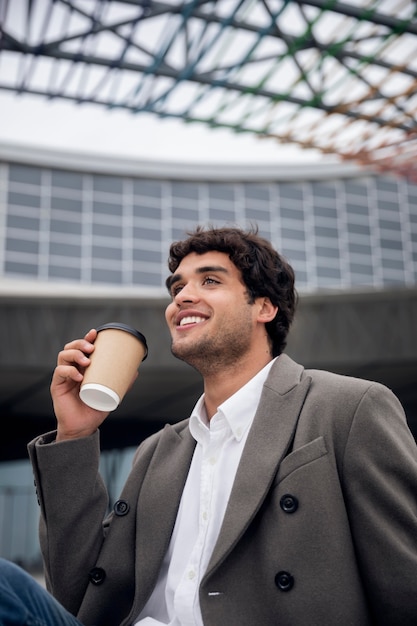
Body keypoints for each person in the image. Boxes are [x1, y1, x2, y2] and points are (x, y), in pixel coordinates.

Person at [1, 225, 417, 626]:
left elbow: (404, 585)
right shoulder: (157, 452)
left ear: (264, 307)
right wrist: (75, 433)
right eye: (177, 287)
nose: (183, 297)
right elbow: (76, 598)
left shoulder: (347, 408)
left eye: (210, 281)